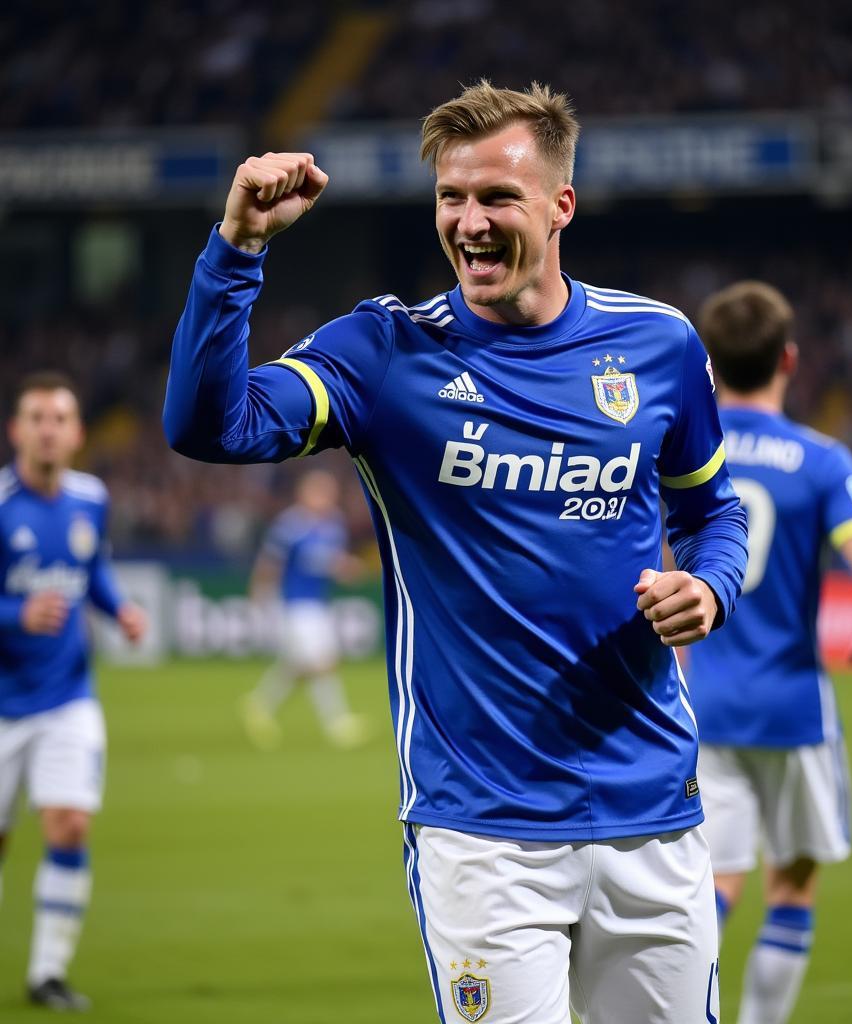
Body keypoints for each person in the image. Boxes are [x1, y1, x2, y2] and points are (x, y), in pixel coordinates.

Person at [164, 82, 747, 1023]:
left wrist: (710, 589)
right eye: (451, 198)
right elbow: (209, 425)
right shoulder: (384, 354)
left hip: (654, 814)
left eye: (496, 198)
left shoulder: (658, 344)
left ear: (560, 206)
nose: (468, 223)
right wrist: (237, 252)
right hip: (484, 836)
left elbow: (716, 511)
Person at [685, 282, 852, 1024]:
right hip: (793, 706)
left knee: (715, 880)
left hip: (703, 701)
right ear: (789, 358)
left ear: (708, 362)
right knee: (793, 880)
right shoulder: (822, 459)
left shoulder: (685, 448)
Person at [0, 372, 146, 1012]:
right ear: (16, 431)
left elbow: (94, 570)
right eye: (37, 417)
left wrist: (120, 611)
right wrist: (14, 615)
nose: (48, 429)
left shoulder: (91, 498)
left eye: (60, 418)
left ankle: (48, 973)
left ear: (78, 432)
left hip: (67, 697)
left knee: (69, 823)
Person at [241, 468, 370, 749]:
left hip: (317, 603)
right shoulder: (290, 526)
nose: (326, 497)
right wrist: (259, 596)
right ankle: (337, 723)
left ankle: (260, 704)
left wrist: (347, 568)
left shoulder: (334, 524)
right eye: (320, 491)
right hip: (294, 605)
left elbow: (329, 562)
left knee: (301, 666)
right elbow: (269, 565)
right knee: (323, 662)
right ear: (304, 493)